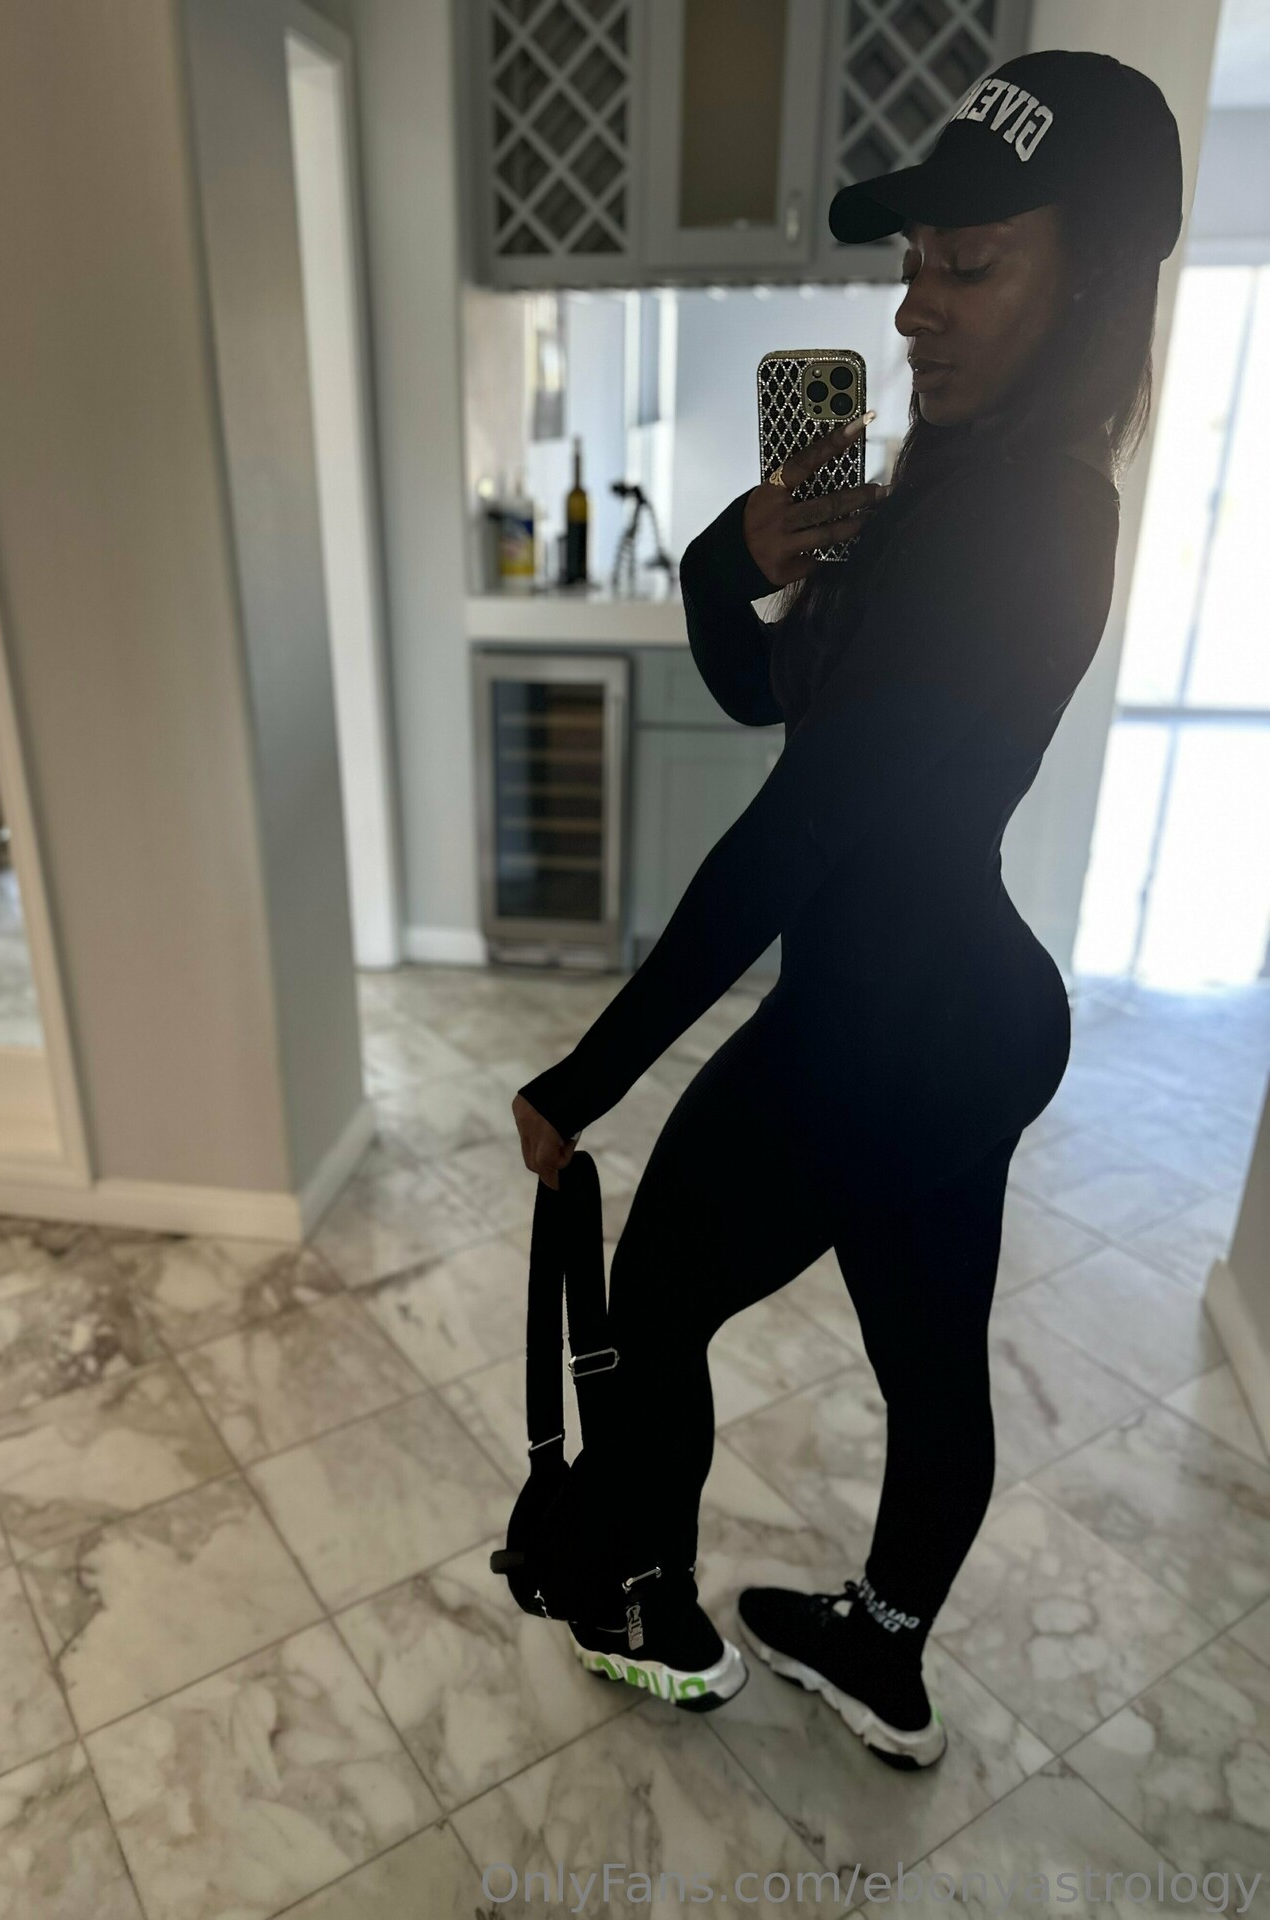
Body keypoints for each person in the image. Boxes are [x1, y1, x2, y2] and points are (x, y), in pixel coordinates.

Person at [509, 49, 1184, 1769]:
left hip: (881, 1031)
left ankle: (641, 1607)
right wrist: (725, 561)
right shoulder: (942, 493)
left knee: (660, 1297)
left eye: (971, 265)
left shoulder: (1028, 522)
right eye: (913, 263)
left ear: (1088, 281)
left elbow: (799, 828)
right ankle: (883, 1656)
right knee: (929, 1352)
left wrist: (588, 1075)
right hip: (957, 1020)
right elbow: (770, 696)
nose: (913, 309)